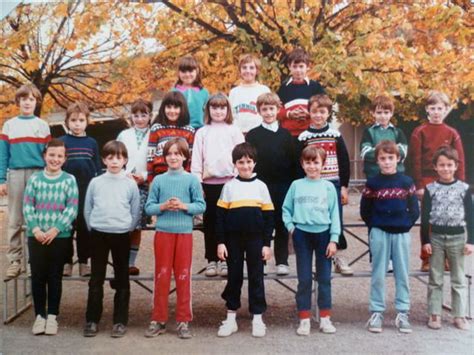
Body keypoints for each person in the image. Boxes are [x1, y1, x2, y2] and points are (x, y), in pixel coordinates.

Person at [144, 138, 205, 339]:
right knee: (162, 275)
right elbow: (149, 207)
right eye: (169, 153)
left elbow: (201, 206)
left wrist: (184, 206)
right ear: (164, 157)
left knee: (183, 276)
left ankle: (183, 320)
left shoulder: (191, 180)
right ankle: (158, 319)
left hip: (184, 234)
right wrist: (163, 207)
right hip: (163, 233)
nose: (173, 157)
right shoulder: (159, 180)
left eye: (177, 154)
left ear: (185, 157)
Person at [360, 140, 419, 334]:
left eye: (390, 158)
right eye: (383, 158)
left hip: (401, 233)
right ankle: (377, 311)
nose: (387, 162)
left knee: (402, 273)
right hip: (379, 233)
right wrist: (376, 225)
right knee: (378, 274)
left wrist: (405, 224)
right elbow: (365, 210)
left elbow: (414, 210)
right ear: (377, 161)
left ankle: (403, 312)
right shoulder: (373, 183)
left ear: (398, 159)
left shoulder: (406, 182)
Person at [216, 142, 274, 338]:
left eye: (249, 162)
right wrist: (221, 242)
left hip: (256, 239)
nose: (245, 166)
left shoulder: (261, 187)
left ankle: (257, 318)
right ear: (235, 164)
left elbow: (269, 218)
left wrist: (267, 243)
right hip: (233, 240)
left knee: (256, 277)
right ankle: (231, 318)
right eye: (241, 162)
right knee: (234, 277)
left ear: (255, 163)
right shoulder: (229, 187)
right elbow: (220, 217)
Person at [83, 141, 140, 338]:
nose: (114, 161)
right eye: (110, 157)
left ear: (125, 160)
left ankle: (119, 321)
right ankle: (91, 320)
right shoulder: (96, 182)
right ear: (104, 159)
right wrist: (94, 226)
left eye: (119, 158)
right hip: (99, 233)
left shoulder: (130, 183)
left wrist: (127, 228)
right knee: (96, 278)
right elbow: (88, 208)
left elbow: (135, 211)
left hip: (122, 234)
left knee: (122, 277)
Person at [23, 139, 79, 335]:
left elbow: (72, 208)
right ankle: (40, 316)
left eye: (59, 156)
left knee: (55, 276)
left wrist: (56, 229)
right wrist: (36, 229)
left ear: (65, 159)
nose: (55, 159)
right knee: (38, 276)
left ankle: (53, 316)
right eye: (52, 155)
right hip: (36, 235)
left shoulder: (69, 180)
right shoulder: (35, 179)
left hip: (59, 236)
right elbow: (28, 206)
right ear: (45, 156)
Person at [282, 145, 340, 336]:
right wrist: (292, 228)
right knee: (304, 279)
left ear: (323, 164)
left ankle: (325, 318)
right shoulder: (296, 185)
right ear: (302, 164)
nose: (312, 166)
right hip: (302, 235)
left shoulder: (329, 187)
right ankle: (305, 319)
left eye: (316, 162)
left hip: (324, 235)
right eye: (308, 162)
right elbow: (286, 210)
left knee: (324, 278)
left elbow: (335, 215)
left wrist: (334, 239)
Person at [409, 91, 465, 271]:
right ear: (427, 109)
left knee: (448, 218)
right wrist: (418, 185)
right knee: (429, 219)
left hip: (448, 180)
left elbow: (460, 160)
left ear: (445, 109)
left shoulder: (452, 133)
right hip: (426, 179)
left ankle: (447, 258)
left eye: (439, 108)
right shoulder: (420, 132)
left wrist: (460, 184)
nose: (436, 112)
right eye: (432, 108)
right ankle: (427, 258)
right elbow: (414, 160)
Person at [297, 94, 352, 275]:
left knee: (336, 220)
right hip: (312, 185)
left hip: (333, 183)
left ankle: (338, 257)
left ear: (328, 113)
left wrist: (344, 186)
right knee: (315, 221)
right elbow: (298, 164)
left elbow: (344, 161)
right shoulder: (303, 137)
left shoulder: (335, 135)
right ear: (309, 113)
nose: (318, 115)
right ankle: (317, 259)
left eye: (322, 112)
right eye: (314, 112)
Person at [1, 84, 51, 280]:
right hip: (16, 174)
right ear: (18, 102)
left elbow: (49, 154)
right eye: (24, 99)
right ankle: (15, 260)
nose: (27, 102)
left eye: (31, 99)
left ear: (36, 101)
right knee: (15, 218)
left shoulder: (42, 125)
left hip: (38, 173)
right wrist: (1, 180)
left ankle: (34, 260)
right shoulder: (9, 125)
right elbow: (3, 154)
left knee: (36, 217)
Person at [191, 93, 244, 277]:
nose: (218, 111)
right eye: (214, 107)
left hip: (230, 182)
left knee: (229, 222)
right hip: (209, 184)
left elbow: (241, 155)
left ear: (227, 110)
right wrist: (197, 182)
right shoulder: (202, 132)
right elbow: (197, 159)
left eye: (222, 107)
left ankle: (226, 260)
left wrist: (238, 179)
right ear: (208, 110)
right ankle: (212, 260)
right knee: (211, 222)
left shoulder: (234, 130)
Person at [421, 146, 473, 331]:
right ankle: (434, 313)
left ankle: (459, 315)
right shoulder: (430, 189)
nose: (445, 169)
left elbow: (471, 216)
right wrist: (425, 241)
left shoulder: (464, 189)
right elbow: (425, 216)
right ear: (435, 167)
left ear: (456, 166)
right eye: (441, 165)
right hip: (436, 238)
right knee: (435, 277)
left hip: (458, 237)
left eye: (449, 165)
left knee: (458, 278)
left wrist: (471, 241)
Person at [246, 92, 296, 275]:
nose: (268, 112)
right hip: (261, 186)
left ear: (278, 110)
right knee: (262, 223)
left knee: (282, 223)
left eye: (271, 109)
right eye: (264, 109)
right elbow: (250, 160)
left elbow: (293, 162)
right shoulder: (253, 135)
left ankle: (282, 260)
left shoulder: (286, 135)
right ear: (259, 111)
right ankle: (263, 260)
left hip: (283, 185)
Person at [60, 102, 101, 277]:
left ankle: (84, 262)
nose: (77, 124)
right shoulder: (62, 142)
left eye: (81, 120)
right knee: (66, 227)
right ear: (67, 121)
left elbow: (98, 167)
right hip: (66, 192)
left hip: (86, 190)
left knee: (85, 227)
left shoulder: (91, 142)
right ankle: (66, 262)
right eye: (74, 120)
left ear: (87, 122)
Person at [117, 98, 152, 275]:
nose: (139, 119)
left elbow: (154, 161)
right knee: (124, 222)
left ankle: (130, 262)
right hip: (125, 182)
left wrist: (144, 176)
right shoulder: (124, 135)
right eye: (136, 115)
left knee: (137, 223)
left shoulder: (154, 134)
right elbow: (117, 156)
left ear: (150, 116)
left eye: (143, 115)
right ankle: (121, 261)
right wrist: (125, 174)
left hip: (144, 184)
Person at [147, 91, 195, 184]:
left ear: (182, 109)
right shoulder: (157, 128)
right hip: (160, 177)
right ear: (163, 108)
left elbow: (190, 159)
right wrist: (150, 181)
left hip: (182, 178)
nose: (172, 111)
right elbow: (150, 157)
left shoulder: (189, 131)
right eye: (168, 107)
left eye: (176, 107)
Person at [277, 47, 325, 138]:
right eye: (295, 66)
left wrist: (310, 113)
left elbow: (324, 107)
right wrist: (289, 114)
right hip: (288, 134)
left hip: (310, 133)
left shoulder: (315, 87)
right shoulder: (283, 88)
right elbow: (277, 110)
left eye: (301, 66)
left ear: (307, 66)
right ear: (289, 67)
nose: (298, 70)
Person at [360, 95, 408, 178]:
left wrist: (377, 151)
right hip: (374, 175)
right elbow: (366, 153)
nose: (383, 116)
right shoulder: (368, 132)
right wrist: (392, 150)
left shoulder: (398, 132)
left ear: (391, 113)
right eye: (379, 112)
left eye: (386, 112)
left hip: (396, 175)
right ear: (373, 113)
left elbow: (403, 152)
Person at [229, 54, 271, 134]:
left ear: (257, 71)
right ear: (240, 70)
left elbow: (269, 114)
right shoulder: (234, 92)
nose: (248, 71)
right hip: (238, 134)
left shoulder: (264, 90)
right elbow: (231, 115)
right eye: (244, 68)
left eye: (251, 68)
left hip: (259, 133)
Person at [172, 55, 209, 129]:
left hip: (199, 130)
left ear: (197, 71)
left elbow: (208, 113)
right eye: (183, 71)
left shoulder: (204, 92)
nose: (187, 74)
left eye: (190, 71)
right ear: (178, 73)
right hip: (179, 130)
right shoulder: (173, 92)